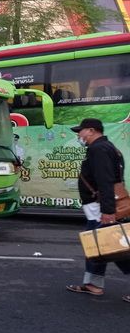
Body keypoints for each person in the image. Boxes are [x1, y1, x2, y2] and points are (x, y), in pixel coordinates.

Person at [65, 118, 130, 301]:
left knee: (114, 250)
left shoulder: (99, 149)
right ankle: (93, 285)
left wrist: (108, 211)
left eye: (81, 131)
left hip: (100, 207)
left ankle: (93, 285)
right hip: (100, 206)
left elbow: (106, 180)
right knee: (100, 247)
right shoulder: (108, 147)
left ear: (92, 130)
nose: (79, 134)